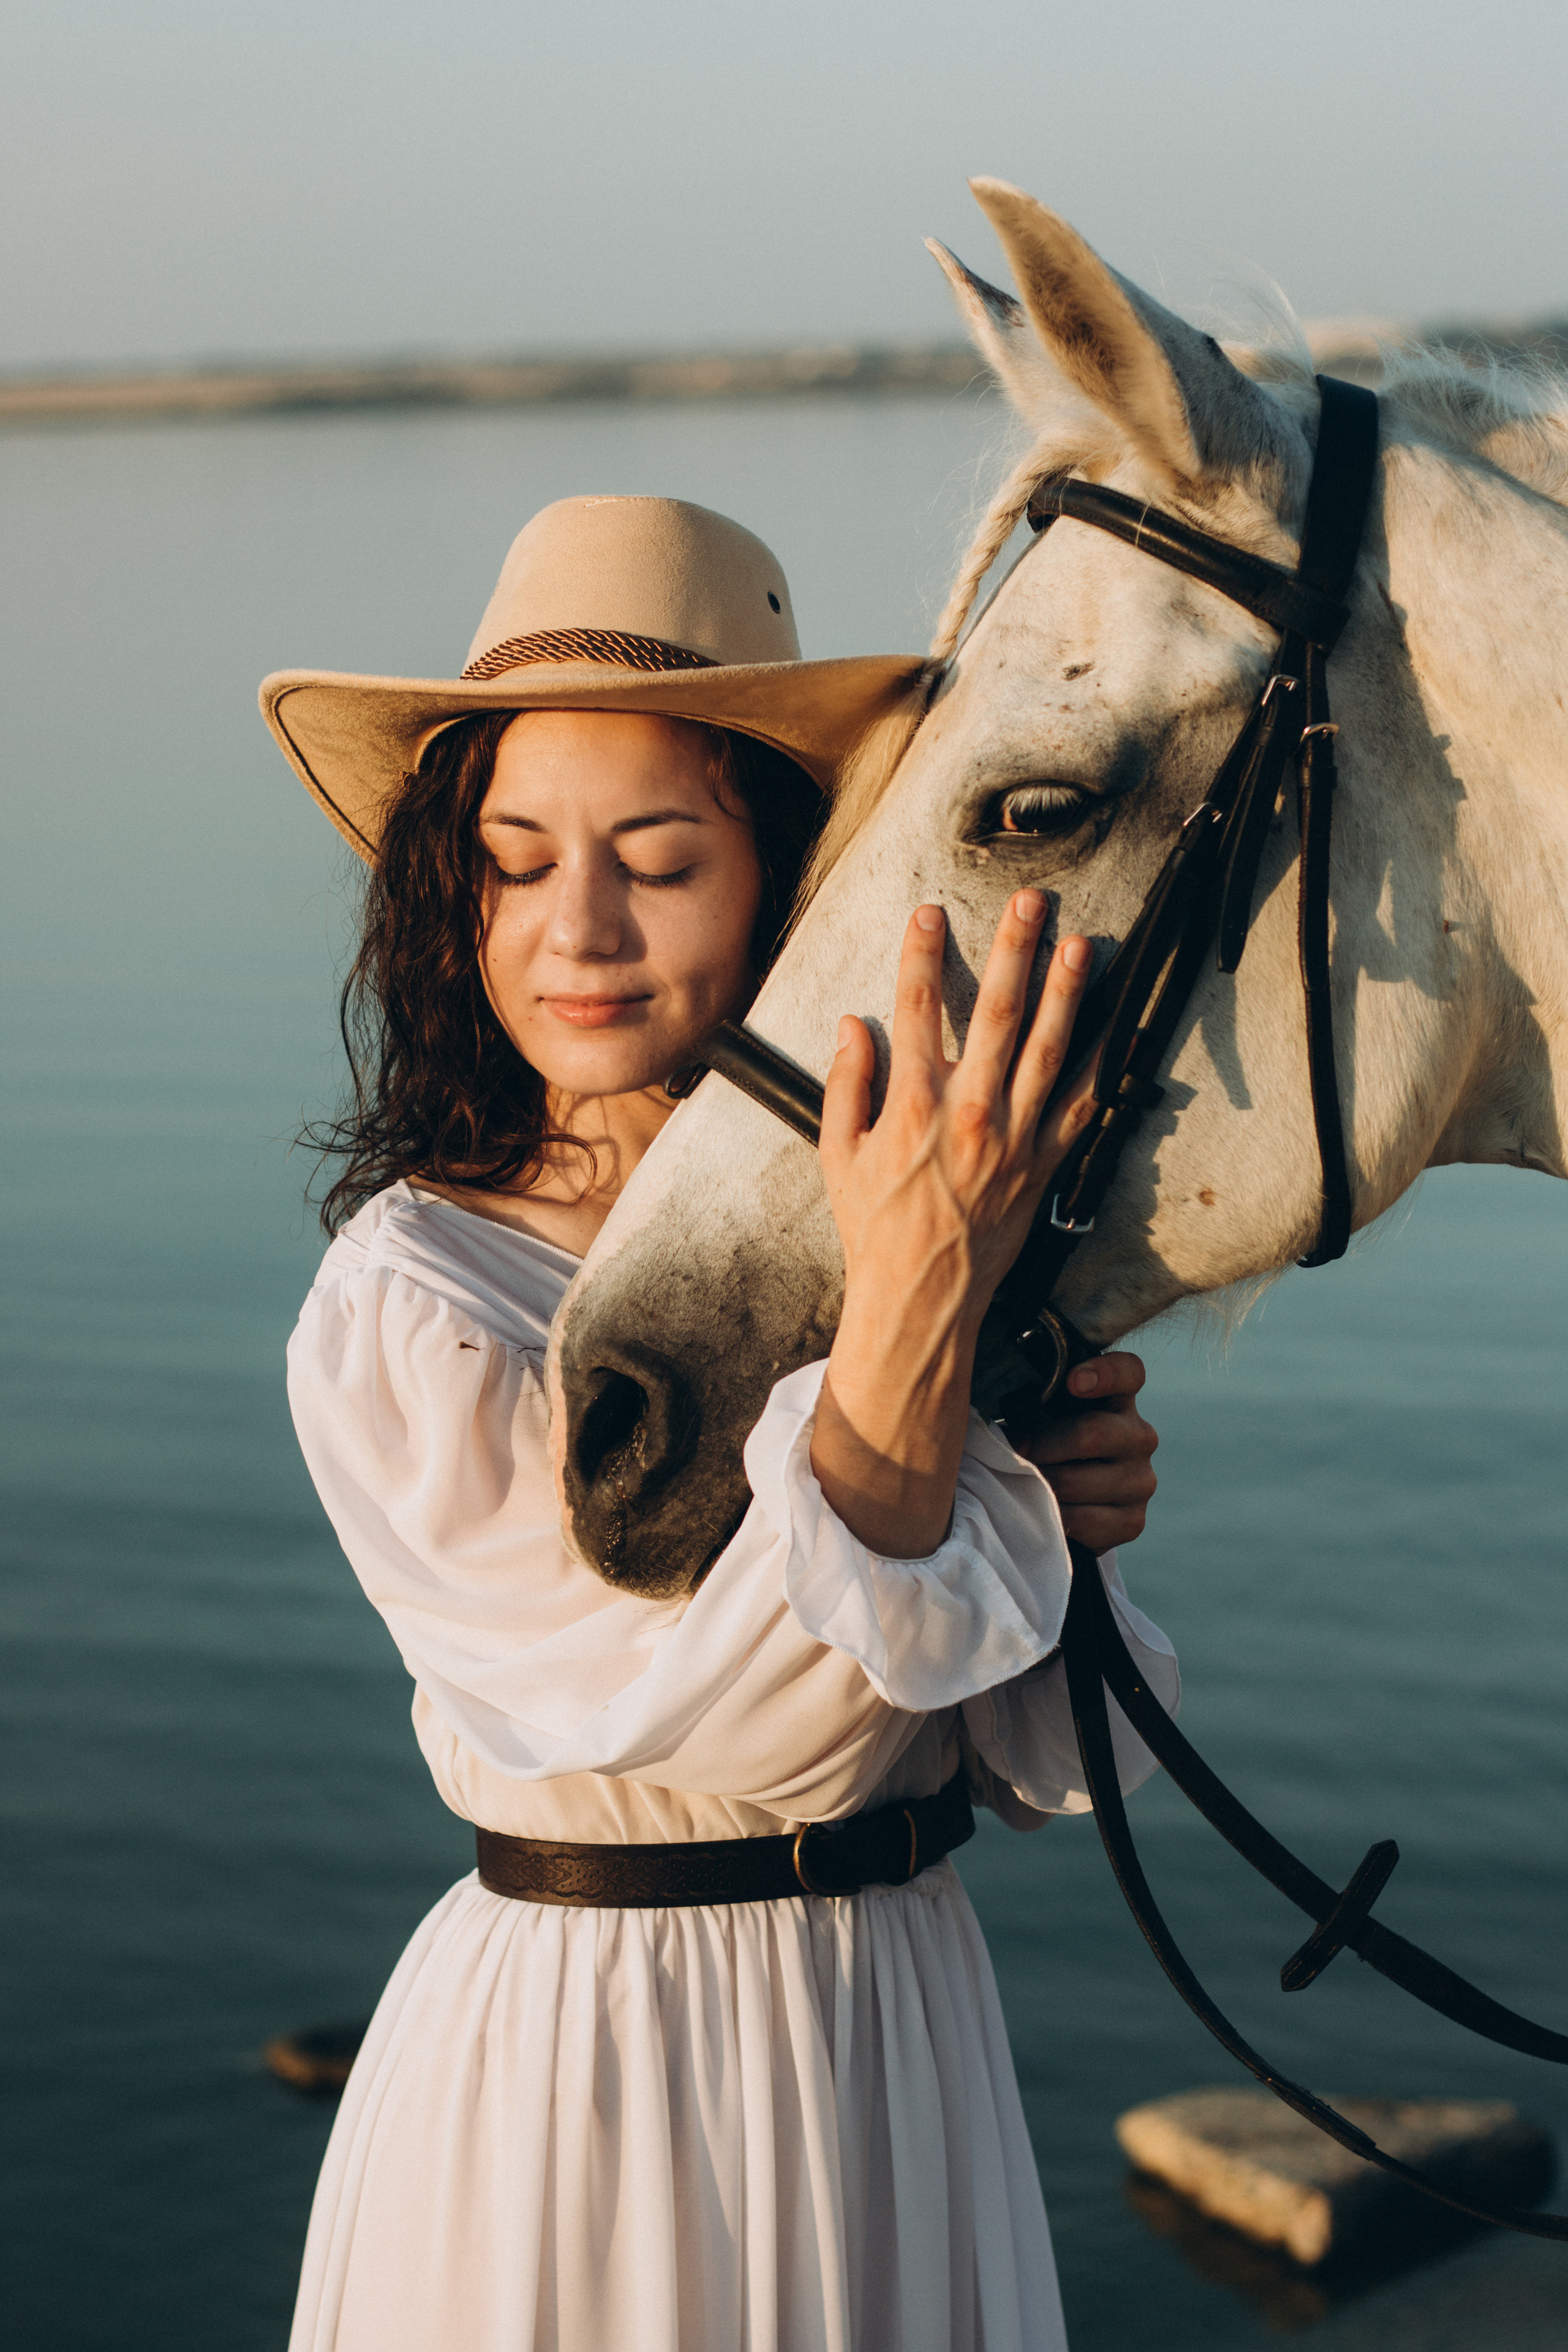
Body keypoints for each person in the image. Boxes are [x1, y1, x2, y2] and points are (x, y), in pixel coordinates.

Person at [265, 497, 1174, 2352]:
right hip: (602, 2054)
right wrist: (919, 1322)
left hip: (898, 2019)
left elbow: (1042, 1762)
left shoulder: (877, 1222)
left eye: (657, 859)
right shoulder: (410, 1301)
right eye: (516, 862)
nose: (574, 928)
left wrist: (1056, 1517)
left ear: (782, 871)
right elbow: (773, 1741)